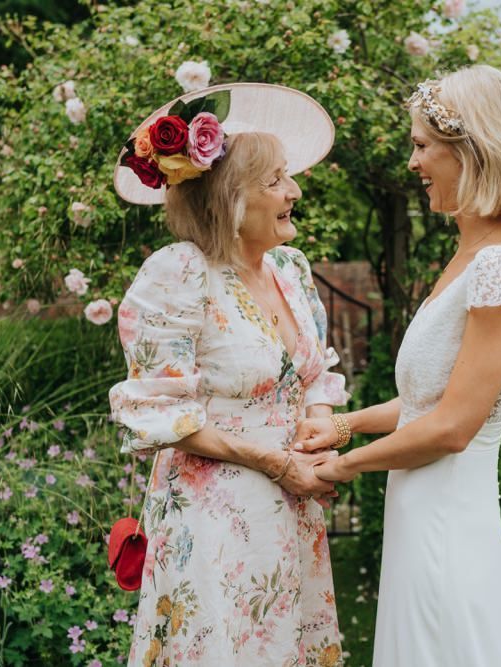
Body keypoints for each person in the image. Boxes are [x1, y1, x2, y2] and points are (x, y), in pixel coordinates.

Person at [293, 65, 501, 667]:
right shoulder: (476, 255)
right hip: (422, 513)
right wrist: (343, 424)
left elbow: (453, 428)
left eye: (420, 146)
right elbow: (427, 404)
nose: (411, 163)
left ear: (472, 150)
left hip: (446, 523)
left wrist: (340, 467)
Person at [109, 83, 349, 666]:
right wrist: (275, 462)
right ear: (227, 199)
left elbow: (316, 372)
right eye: (274, 181)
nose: (293, 192)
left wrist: (320, 429)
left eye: (288, 175)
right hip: (215, 518)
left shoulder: (290, 269)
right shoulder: (179, 276)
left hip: (294, 510)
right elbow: (164, 414)